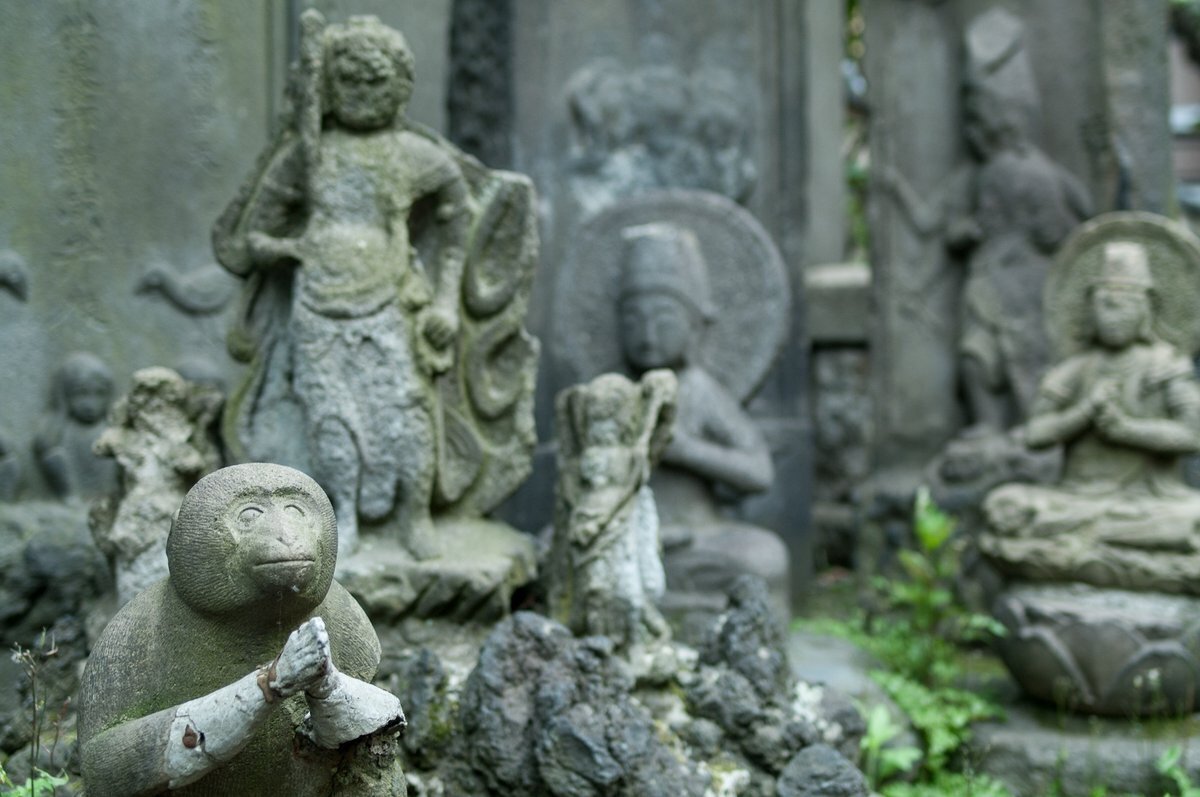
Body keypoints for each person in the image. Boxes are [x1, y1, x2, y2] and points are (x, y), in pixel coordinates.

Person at [213, 14, 468, 557]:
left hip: (390, 300)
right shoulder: (308, 154)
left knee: (408, 411)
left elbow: (457, 220)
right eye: (348, 81)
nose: (361, 94)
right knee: (330, 418)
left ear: (400, 88)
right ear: (329, 85)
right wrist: (284, 249)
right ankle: (342, 516)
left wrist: (446, 298)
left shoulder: (414, 155)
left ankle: (414, 516)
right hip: (318, 305)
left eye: (375, 83)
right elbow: (250, 235)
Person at [617, 222, 789, 613]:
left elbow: (758, 472)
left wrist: (687, 451)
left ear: (696, 324)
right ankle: (670, 599)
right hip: (627, 535)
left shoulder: (700, 391)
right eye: (632, 321)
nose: (647, 334)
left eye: (664, 319)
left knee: (764, 559)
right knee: (553, 547)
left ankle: (660, 601)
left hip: (698, 535)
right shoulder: (616, 392)